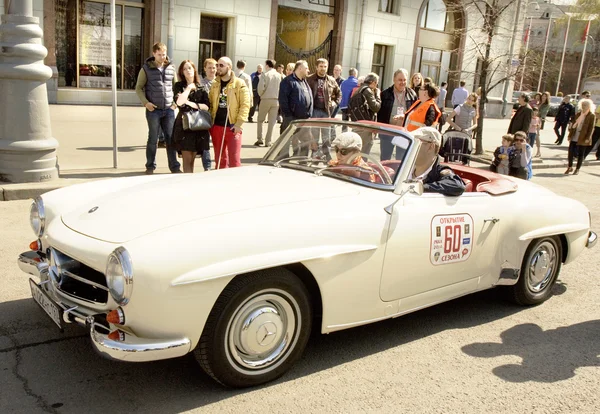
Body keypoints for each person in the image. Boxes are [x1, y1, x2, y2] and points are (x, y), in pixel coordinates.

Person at [135, 42, 181, 174]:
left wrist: (175, 104)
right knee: (153, 138)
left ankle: (175, 167)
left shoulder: (171, 68)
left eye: (164, 54)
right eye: (159, 54)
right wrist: (146, 103)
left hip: (168, 110)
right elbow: (138, 88)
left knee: (170, 139)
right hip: (153, 110)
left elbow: (176, 87)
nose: (162, 57)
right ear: (154, 53)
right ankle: (150, 166)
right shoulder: (146, 69)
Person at [208, 56, 250, 169]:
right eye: (217, 65)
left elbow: (245, 105)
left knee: (234, 160)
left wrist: (239, 124)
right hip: (217, 126)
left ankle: (234, 184)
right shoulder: (214, 84)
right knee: (220, 159)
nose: (218, 68)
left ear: (229, 67)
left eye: (221, 65)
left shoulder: (239, 83)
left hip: (232, 127)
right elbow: (211, 104)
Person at [172, 60, 210, 173]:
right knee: (186, 160)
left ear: (194, 70)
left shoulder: (202, 87)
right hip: (184, 126)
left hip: (198, 126)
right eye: (184, 69)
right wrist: (188, 88)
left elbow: (206, 107)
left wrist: (190, 103)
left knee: (193, 159)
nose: (187, 71)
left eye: (189, 68)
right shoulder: (179, 86)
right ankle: (186, 185)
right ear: (182, 72)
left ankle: (189, 183)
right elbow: (179, 102)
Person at [409, 127, 466, 196]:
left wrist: (422, 187)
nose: (410, 147)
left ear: (430, 147)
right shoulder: (404, 168)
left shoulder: (439, 172)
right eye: (410, 142)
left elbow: (457, 185)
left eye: (415, 142)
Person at [378, 68, 418, 161]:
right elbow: (379, 113)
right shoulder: (385, 94)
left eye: (404, 80)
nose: (402, 82)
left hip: (404, 132)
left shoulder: (412, 94)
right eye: (400, 80)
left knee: (401, 160)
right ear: (394, 80)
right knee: (385, 159)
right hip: (388, 131)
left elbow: (415, 112)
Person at [307, 58, 341, 159]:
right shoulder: (309, 79)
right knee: (315, 134)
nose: (323, 68)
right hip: (314, 110)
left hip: (326, 111)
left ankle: (327, 153)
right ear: (317, 67)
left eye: (325, 66)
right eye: (321, 66)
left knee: (327, 135)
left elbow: (339, 93)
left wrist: (335, 102)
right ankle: (315, 153)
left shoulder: (331, 80)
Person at [278, 60, 313, 156]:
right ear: (300, 68)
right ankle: (282, 161)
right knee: (285, 141)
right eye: (306, 68)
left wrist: (309, 114)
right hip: (292, 119)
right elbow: (283, 100)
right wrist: (288, 116)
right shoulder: (288, 81)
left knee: (306, 141)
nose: (308, 70)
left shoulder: (304, 81)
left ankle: (302, 161)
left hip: (304, 119)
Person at [348, 72, 381, 154]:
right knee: (364, 152)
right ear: (373, 82)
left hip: (357, 123)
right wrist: (378, 95)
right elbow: (376, 107)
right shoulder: (367, 90)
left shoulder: (359, 89)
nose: (376, 86)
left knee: (356, 151)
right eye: (376, 84)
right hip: (366, 126)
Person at [254, 59, 282, 147]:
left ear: (267, 65)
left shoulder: (265, 74)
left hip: (265, 98)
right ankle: (268, 141)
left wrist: (261, 94)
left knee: (260, 120)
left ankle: (259, 139)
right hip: (276, 99)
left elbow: (261, 87)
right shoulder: (279, 75)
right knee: (272, 121)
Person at [565, 98, 596, 175]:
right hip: (575, 135)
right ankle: (570, 166)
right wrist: (569, 135)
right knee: (570, 152)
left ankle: (577, 169)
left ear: (589, 106)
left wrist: (588, 138)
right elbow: (574, 125)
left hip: (583, 137)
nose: (583, 107)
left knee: (581, 153)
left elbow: (591, 128)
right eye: (582, 105)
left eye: (585, 105)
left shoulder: (591, 116)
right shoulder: (578, 114)